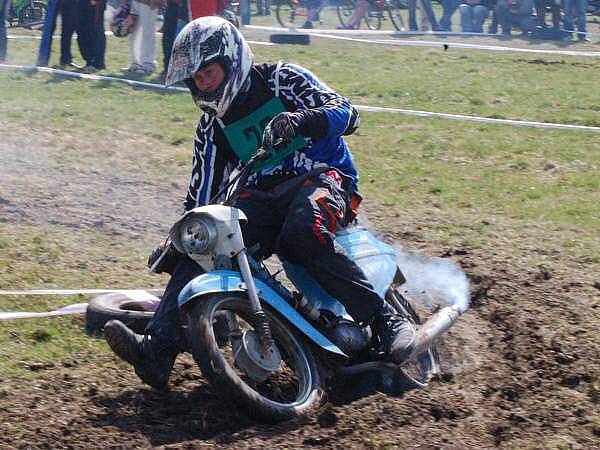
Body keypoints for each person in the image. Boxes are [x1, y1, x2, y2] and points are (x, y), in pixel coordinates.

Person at [103, 16, 417, 390]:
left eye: (210, 72)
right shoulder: (211, 128)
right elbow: (202, 198)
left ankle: (385, 320)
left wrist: (300, 120)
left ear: (232, 61)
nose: (204, 83)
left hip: (324, 179)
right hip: (264, 198)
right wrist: (182, 238)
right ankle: (157, 352)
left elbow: (347, 114)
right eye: (197, 78)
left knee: (301, 232)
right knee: (201, 243)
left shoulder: (282, 79)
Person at [122, 0, 159, 75]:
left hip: (149, 2)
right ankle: (136, 62)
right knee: (134, 32)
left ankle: (148, 63)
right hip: (135, 2)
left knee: (147, 31)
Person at [78, 0, 107, 71]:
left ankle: (98, 63)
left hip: (95, 6)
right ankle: (89, 62)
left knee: (95, 33)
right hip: (82, 5)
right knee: (82, 34)